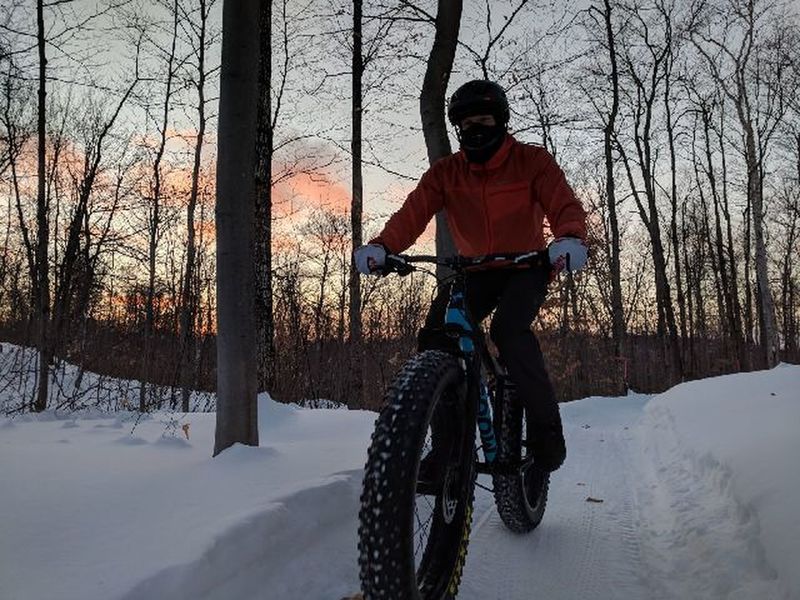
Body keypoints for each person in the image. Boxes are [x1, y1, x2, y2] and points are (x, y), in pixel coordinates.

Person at [354, 80, 587, 473]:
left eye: (483, 120)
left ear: (501, 120)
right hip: (475, 270)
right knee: (436, 335)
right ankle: (448, 446)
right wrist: (382, 246)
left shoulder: (532, 161)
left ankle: (548, 433)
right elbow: (412, 214)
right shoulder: (446, 173)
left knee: (508, 332)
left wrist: (569, 238)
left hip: (526, 266)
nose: (475, 130)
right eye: (466, 125)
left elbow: (564, 203)